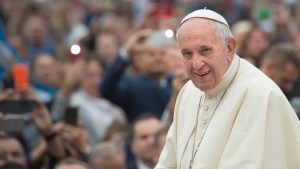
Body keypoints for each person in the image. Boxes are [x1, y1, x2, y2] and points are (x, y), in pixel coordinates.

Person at [155, 9, 300, 169]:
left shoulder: (259, 93)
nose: (196, 64)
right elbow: (167, 163)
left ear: (229, 48)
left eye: (205, 51)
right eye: (187, 54)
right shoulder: (188, 91)